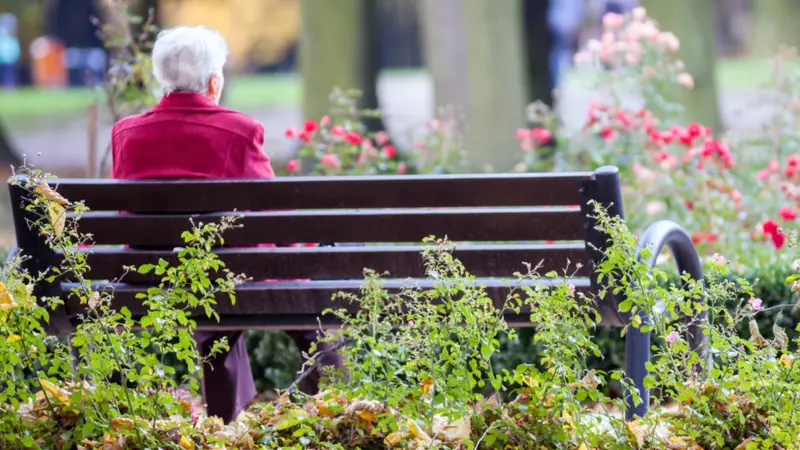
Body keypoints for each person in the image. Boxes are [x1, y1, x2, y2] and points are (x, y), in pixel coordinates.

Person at [111, 26, 343, 423]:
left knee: (215, 305)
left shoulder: (125, 132)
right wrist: (301, 255)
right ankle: (340, 405)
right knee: (301, 298)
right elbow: (271, 215)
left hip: (153, 275)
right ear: (214, 80)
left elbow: (125, 217)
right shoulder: (240, 131)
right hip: (231, 275)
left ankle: (225, 422)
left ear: (161, 79)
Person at [0, 14, 21, 89]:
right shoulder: (3, 36)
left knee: (10, 74)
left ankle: (9, 86)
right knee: (5, 74)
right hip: (4, 59)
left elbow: (14, 47)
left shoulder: (12, 37)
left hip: (10, 59)